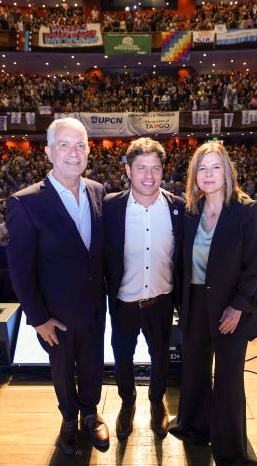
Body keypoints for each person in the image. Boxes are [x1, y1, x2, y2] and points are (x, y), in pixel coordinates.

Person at [7, 117, 109, 455]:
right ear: (49, 152)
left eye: (80, 145)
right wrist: (37, 318)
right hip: (56, 314)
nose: (73, 152)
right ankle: (68, 419)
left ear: (89, 151)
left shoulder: (97, 190)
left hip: (95, 306)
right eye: (64, 145)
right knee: (63, 370)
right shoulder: (25, 202)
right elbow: (20, 269)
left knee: (93, 363)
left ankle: (91, 414)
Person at [168, 141, 257, 465]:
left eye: (215, 167)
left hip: (231, 309)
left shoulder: (247, 211)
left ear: (227, 172)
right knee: (194, 371)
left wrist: (238, 306)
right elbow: (182, 263)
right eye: (202, 168)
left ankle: (230, 448)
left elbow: (254, 265)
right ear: (195, 175)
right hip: (195, 304)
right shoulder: (189, 212)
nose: (208, 174)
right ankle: (194, 427)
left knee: (228, 379)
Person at [103, 137, 184, 440]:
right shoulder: (110, 207)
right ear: (127, 170)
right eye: (141, 168)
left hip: (161, 301)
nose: (149, 176)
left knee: (160, 356)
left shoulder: (179, 208)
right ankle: (127, 404)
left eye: (155, 168)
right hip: (124, 301)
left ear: (163, 170)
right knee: (122, 356)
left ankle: (156, 402)